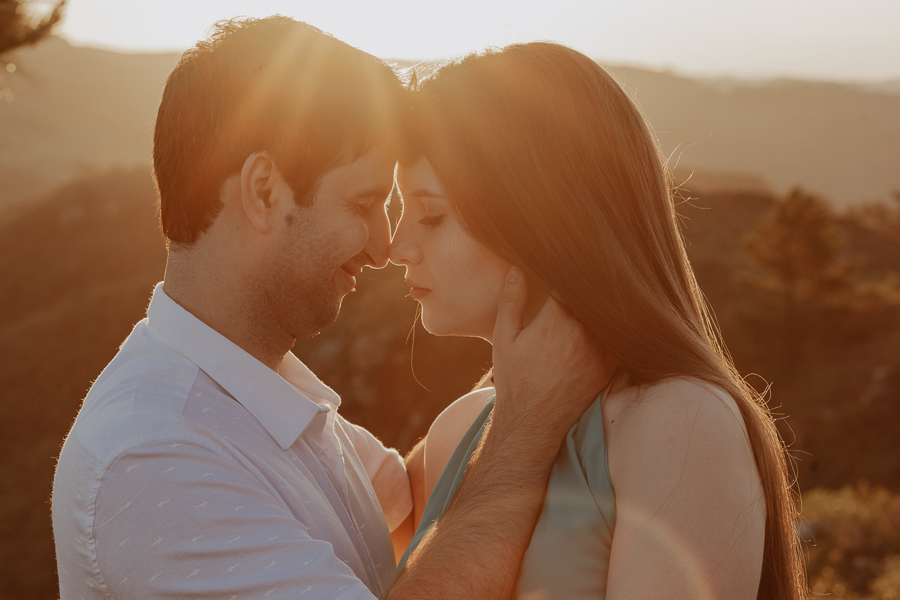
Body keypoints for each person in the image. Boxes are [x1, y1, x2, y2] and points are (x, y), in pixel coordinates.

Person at [51, 19, 614, 600]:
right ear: (264, 190)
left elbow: (418, 503)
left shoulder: (258, 392)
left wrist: (520, 364)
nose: (382, 246)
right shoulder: (155, 457)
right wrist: (525, 429)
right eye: (364, 203)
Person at [390, 43, 807, 599]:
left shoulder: (678, 423)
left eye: (432, 214)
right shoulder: (456, 432)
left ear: (539, 219)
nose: (397, 246)